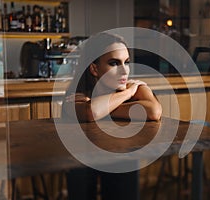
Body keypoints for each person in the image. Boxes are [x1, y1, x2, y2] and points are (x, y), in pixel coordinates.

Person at [62, 32, 162, 200]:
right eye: (114, 63)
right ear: (94, 68)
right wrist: (126, 95)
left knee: (124, 166)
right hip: (83, 157)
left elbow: (153, 111)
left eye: (126, 62)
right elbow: (90, 112)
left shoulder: (136, 88)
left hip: (121, 155)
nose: (124, 70)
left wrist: (104, 107)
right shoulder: (77, 94)